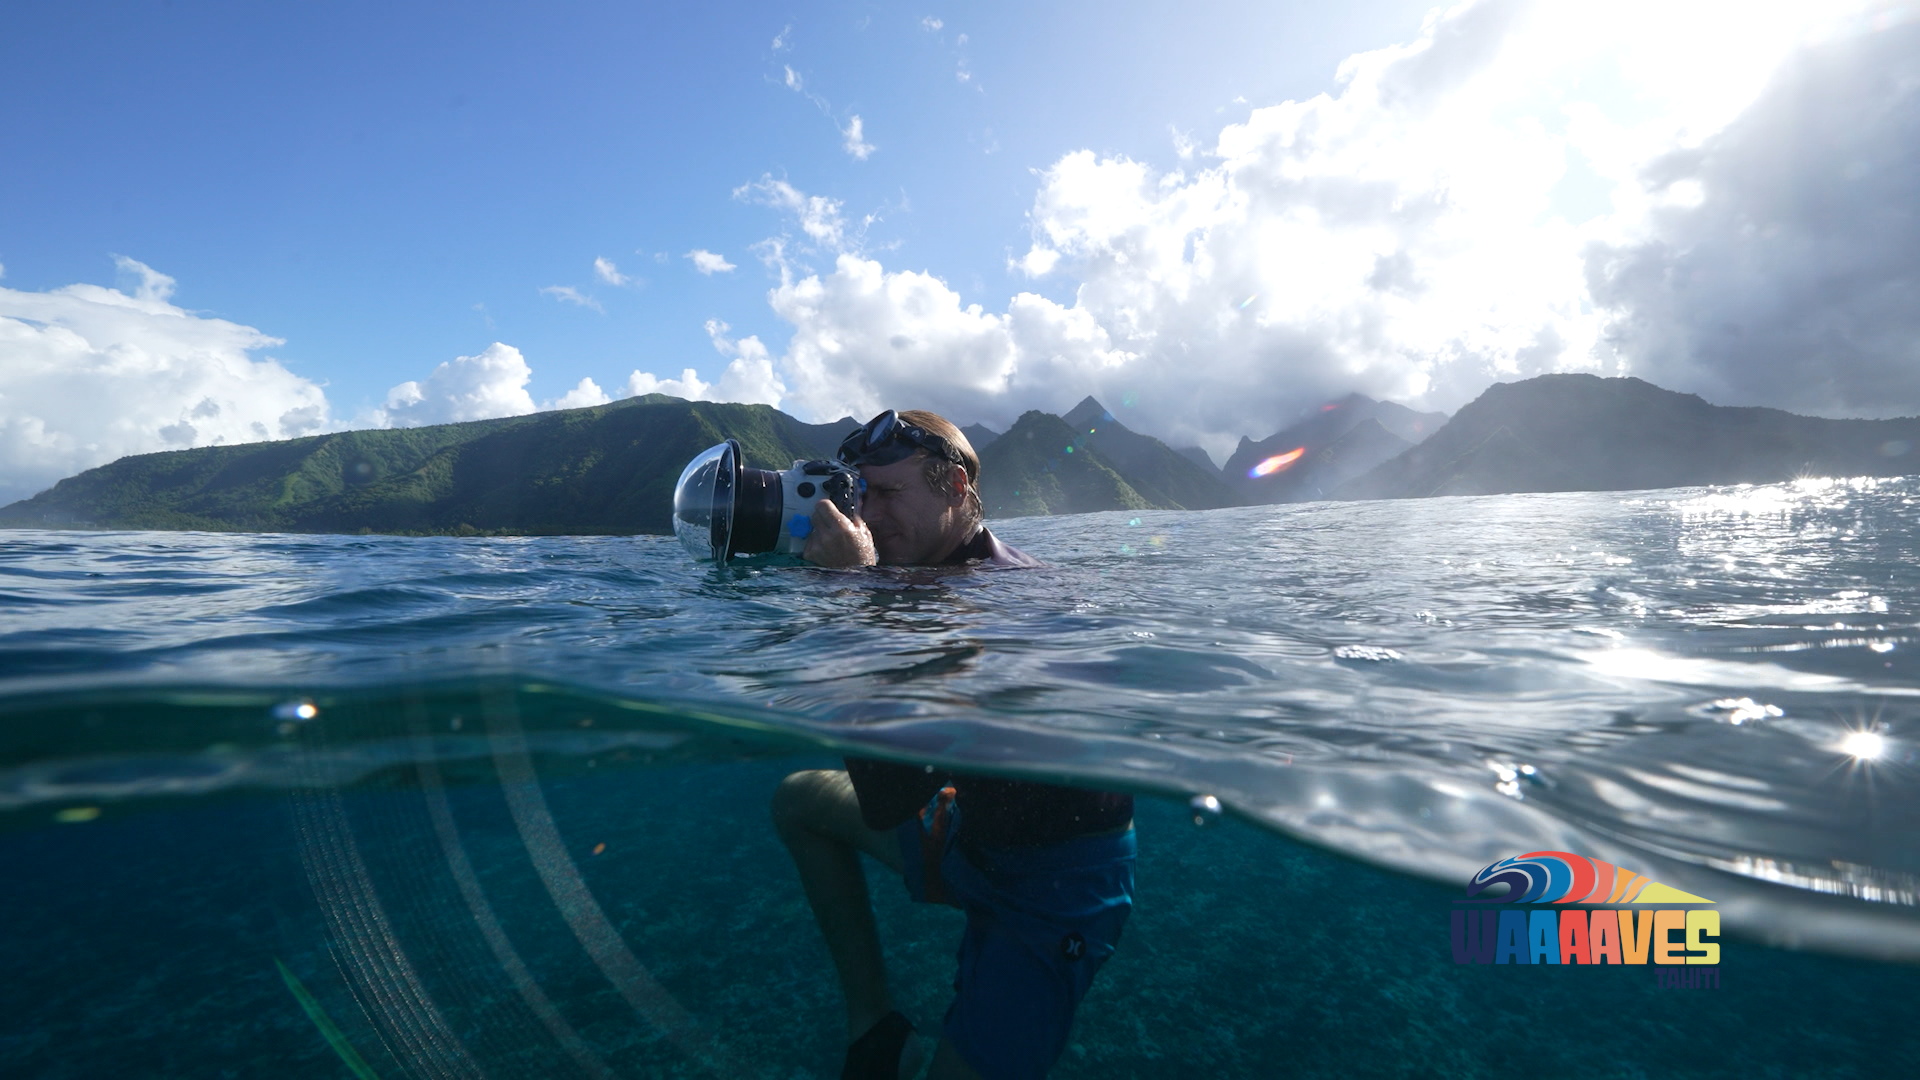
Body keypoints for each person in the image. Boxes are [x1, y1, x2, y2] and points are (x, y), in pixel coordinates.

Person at [769, 409, 1136, 1080]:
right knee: (799, 800)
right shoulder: (911, 576)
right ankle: (875, 1030)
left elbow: (887, 798)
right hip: (968, 833)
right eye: (861, 494)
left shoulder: (1016, 600)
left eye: (889, 493)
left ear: (956, 488)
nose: (869, 515)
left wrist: (852, 598)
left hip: (1056, 882)